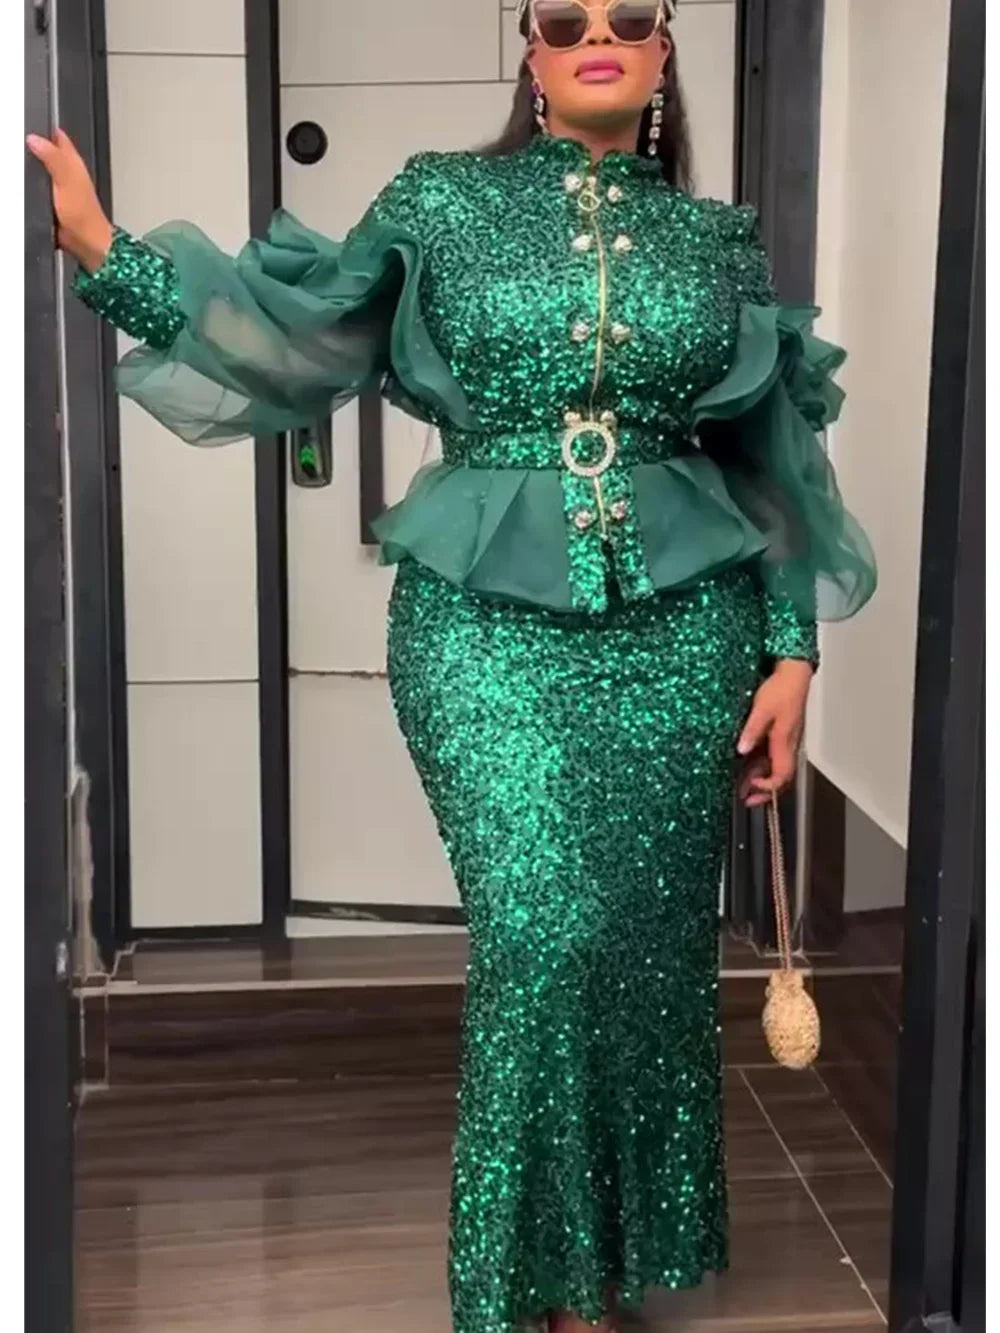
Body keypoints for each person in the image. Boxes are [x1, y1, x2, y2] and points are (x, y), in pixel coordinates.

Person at [28, 2, 875, 1329]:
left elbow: (772, 459)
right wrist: (106, 252)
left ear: (664, 51)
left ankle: (596, 1269)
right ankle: (524, 1283)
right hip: (482, 629)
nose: (597, 33)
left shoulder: (719, 239)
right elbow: (298, 336)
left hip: (683, 636)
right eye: (564, 18)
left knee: (642, 947)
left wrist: (791, 652)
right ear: (529, 55)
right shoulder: (441, 200)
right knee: (540, 934)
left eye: (630, 15)